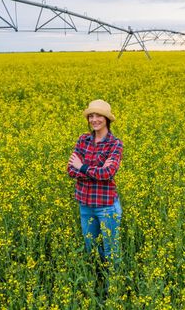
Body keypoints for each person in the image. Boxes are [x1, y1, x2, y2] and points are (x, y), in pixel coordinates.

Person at [67, 99, 123, 268]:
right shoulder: (83, 140)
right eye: (91, 116)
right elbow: (71, 170)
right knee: (92, 251)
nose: (94, 120)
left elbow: (108, 173)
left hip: (106, 206)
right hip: (85, 205)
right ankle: (97, 285)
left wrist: (82, 167)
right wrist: (94, 170)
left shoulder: (115, 143)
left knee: (111, 253)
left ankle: (112, 288)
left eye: (99, 116)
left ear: (107, 119)